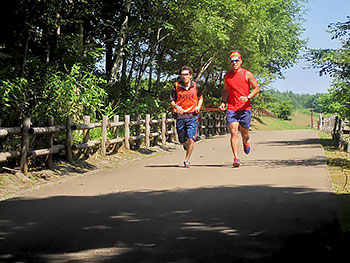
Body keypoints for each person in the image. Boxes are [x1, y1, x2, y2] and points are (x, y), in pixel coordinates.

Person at [219, 51, 260, 167]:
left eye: (237, 60)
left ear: (241, 61)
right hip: (232, 108)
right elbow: (225, 90)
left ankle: (245, 142)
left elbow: (256, 89)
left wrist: (247, 97)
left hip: (245, 108)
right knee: (233, 132)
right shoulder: (227, 76)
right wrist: (223, 102)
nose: (234, 63)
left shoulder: (247, 74)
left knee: (245, 133)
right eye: (232, 61)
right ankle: (236, 158)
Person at [170, 66, 203, 168]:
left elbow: (200, 97)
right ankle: (184, 144)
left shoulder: (196, 86)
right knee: (182, 139)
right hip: (180, 116)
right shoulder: (176, 87)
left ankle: (187, 159)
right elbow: (172, 100)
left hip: (192, 116)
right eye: (182, 74)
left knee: (191, 139)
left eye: (186, 74)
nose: (184, 77)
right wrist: (176, 106)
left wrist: (198, 106)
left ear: (190, 76)